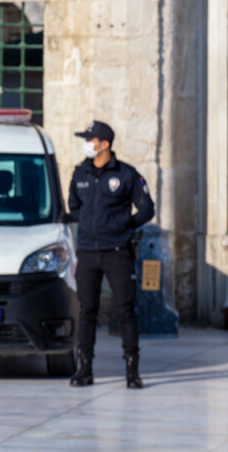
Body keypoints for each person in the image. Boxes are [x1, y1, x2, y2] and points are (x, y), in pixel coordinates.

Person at [68, 121, 155, 389]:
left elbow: (146, 209)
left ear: (104, 144)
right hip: (88, 252)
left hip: (117, 252)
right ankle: (85, 369)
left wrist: (124, 226)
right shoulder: (79, 173)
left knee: (125, 310)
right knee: (87, 311)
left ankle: (132, 370)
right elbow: (74, 206)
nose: (86, 144)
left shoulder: (128, 174)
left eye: (90, 139)